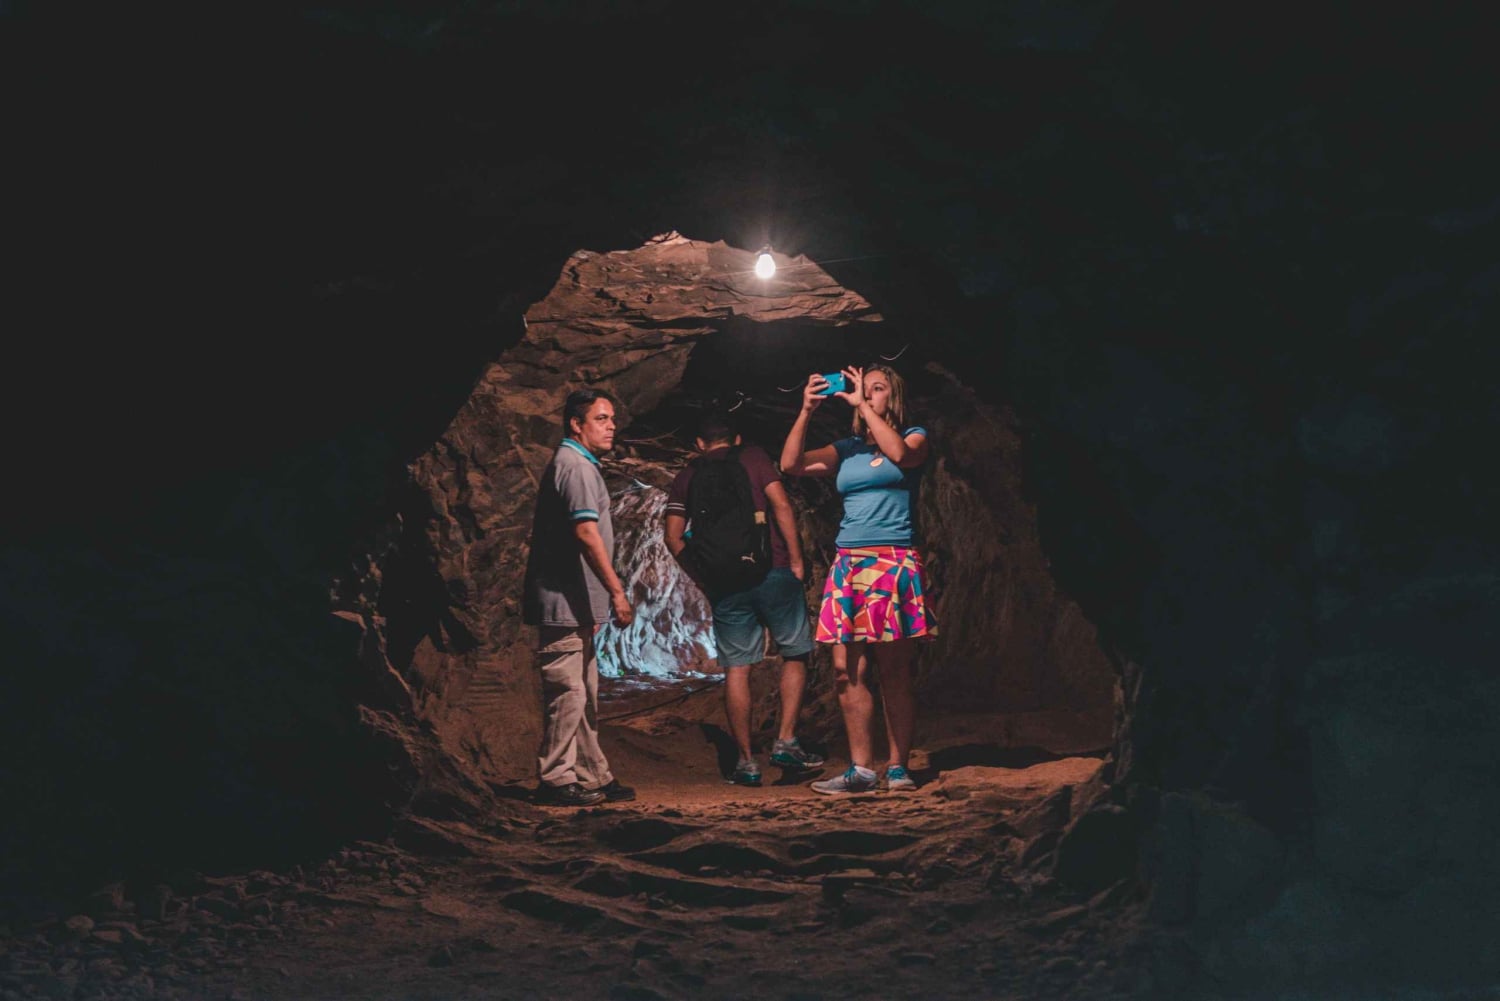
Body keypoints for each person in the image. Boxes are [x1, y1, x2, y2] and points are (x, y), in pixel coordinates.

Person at [779, 363, 936, 794]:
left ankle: (898, 767)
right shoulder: (846, 449)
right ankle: (862, 769)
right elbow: (791, 464)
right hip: (849, 564)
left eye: (877, 388)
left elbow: (900, 456)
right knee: (845, 670)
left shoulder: (914, 436)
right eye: (862, 388)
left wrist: (864, 408)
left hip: (892, 561)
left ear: (893, 397)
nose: (866, 394)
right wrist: (806, 410)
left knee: (894, 670)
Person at [663, 410, 825, 786]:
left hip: (725, 584)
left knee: (737, 669)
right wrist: (797, 560)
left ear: (699, 444)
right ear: (736, 439)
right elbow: (780, 505)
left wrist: (703, 580)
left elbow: (672, 537)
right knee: (795, 654)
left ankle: (746, 762)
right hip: (774, 570)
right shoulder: (753, 457)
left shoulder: (686, 476)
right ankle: (786, 742)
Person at [522, 388, 638, 807]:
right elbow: (586, 532)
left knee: (583, 693)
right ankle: (555, 779)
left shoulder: (581, 464)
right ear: (576, 424)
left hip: (578, 602)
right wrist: (617, 591)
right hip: (564, 602)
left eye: (612, 419)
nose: (611, 427)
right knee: (568, 692)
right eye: (601, 419)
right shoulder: (574, 467)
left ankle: (592, 775)